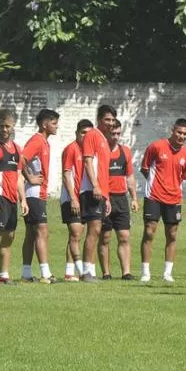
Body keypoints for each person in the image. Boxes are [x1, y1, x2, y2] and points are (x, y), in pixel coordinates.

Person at [140, 118, 186, 283]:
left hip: (174, 198)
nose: (181, 136)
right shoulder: (156, 146)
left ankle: (167, 273)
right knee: (149, 231)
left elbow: (183, 177)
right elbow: (145, 168)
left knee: (171, 234)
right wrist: (154, 184)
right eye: (179, 132)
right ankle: (145, 272)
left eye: (185, 134)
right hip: (154, 196)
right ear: (172, 130)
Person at [0, 109, 28, 285]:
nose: (4, 129)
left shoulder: (17, 149)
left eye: (7, 126)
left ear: (13, 126)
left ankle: (4, 275)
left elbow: (18, 177)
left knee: (9, 235)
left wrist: (23, 199)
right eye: (1, 126)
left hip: (12, 199)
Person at [20, 108, 59, 284]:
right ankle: (45, 273)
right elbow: (21, 160)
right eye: (54, 123)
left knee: (30, 233)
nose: (56, 126)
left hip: (37, 194)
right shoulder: (36, 141)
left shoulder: (45, 142)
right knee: (42, 231)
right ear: (45, 124)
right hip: (33, 193)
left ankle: (26, 273)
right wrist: (29, 178)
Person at [79, 104, 117, 282]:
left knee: (97, 229)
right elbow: (88, 162)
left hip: (101, 193)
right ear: (99, 119)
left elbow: (103, 171)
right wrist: (95, 186)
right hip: (90, 190)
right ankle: (87, 271)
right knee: (93, 230)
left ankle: (90, 271)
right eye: (107, 119)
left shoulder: (104, 139)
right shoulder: (92, 135)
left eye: (112, 120)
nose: (110, 123)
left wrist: (106, 197)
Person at [99, 120, 139, 280]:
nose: (115, 137)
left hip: (121, 199)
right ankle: (106, 273)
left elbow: (129, 176)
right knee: (105, 237)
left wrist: (134, 198)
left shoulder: (125, 152)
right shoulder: (101, 152)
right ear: (106, 133)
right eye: (112, 133)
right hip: (104, 199)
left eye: (118, 134)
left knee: (124, 236)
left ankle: (126, 272)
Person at [62, 120, 93, 281]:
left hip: (84, 198)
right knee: (75, 234)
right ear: (76, 133)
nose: (85, 136)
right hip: (71, 198)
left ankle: (69, 272)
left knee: (76, 236)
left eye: (88, 133)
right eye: (83, 133)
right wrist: (73, 198)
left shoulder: (90, 151)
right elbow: (66, 174)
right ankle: (82, 272)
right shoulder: (71, 149)